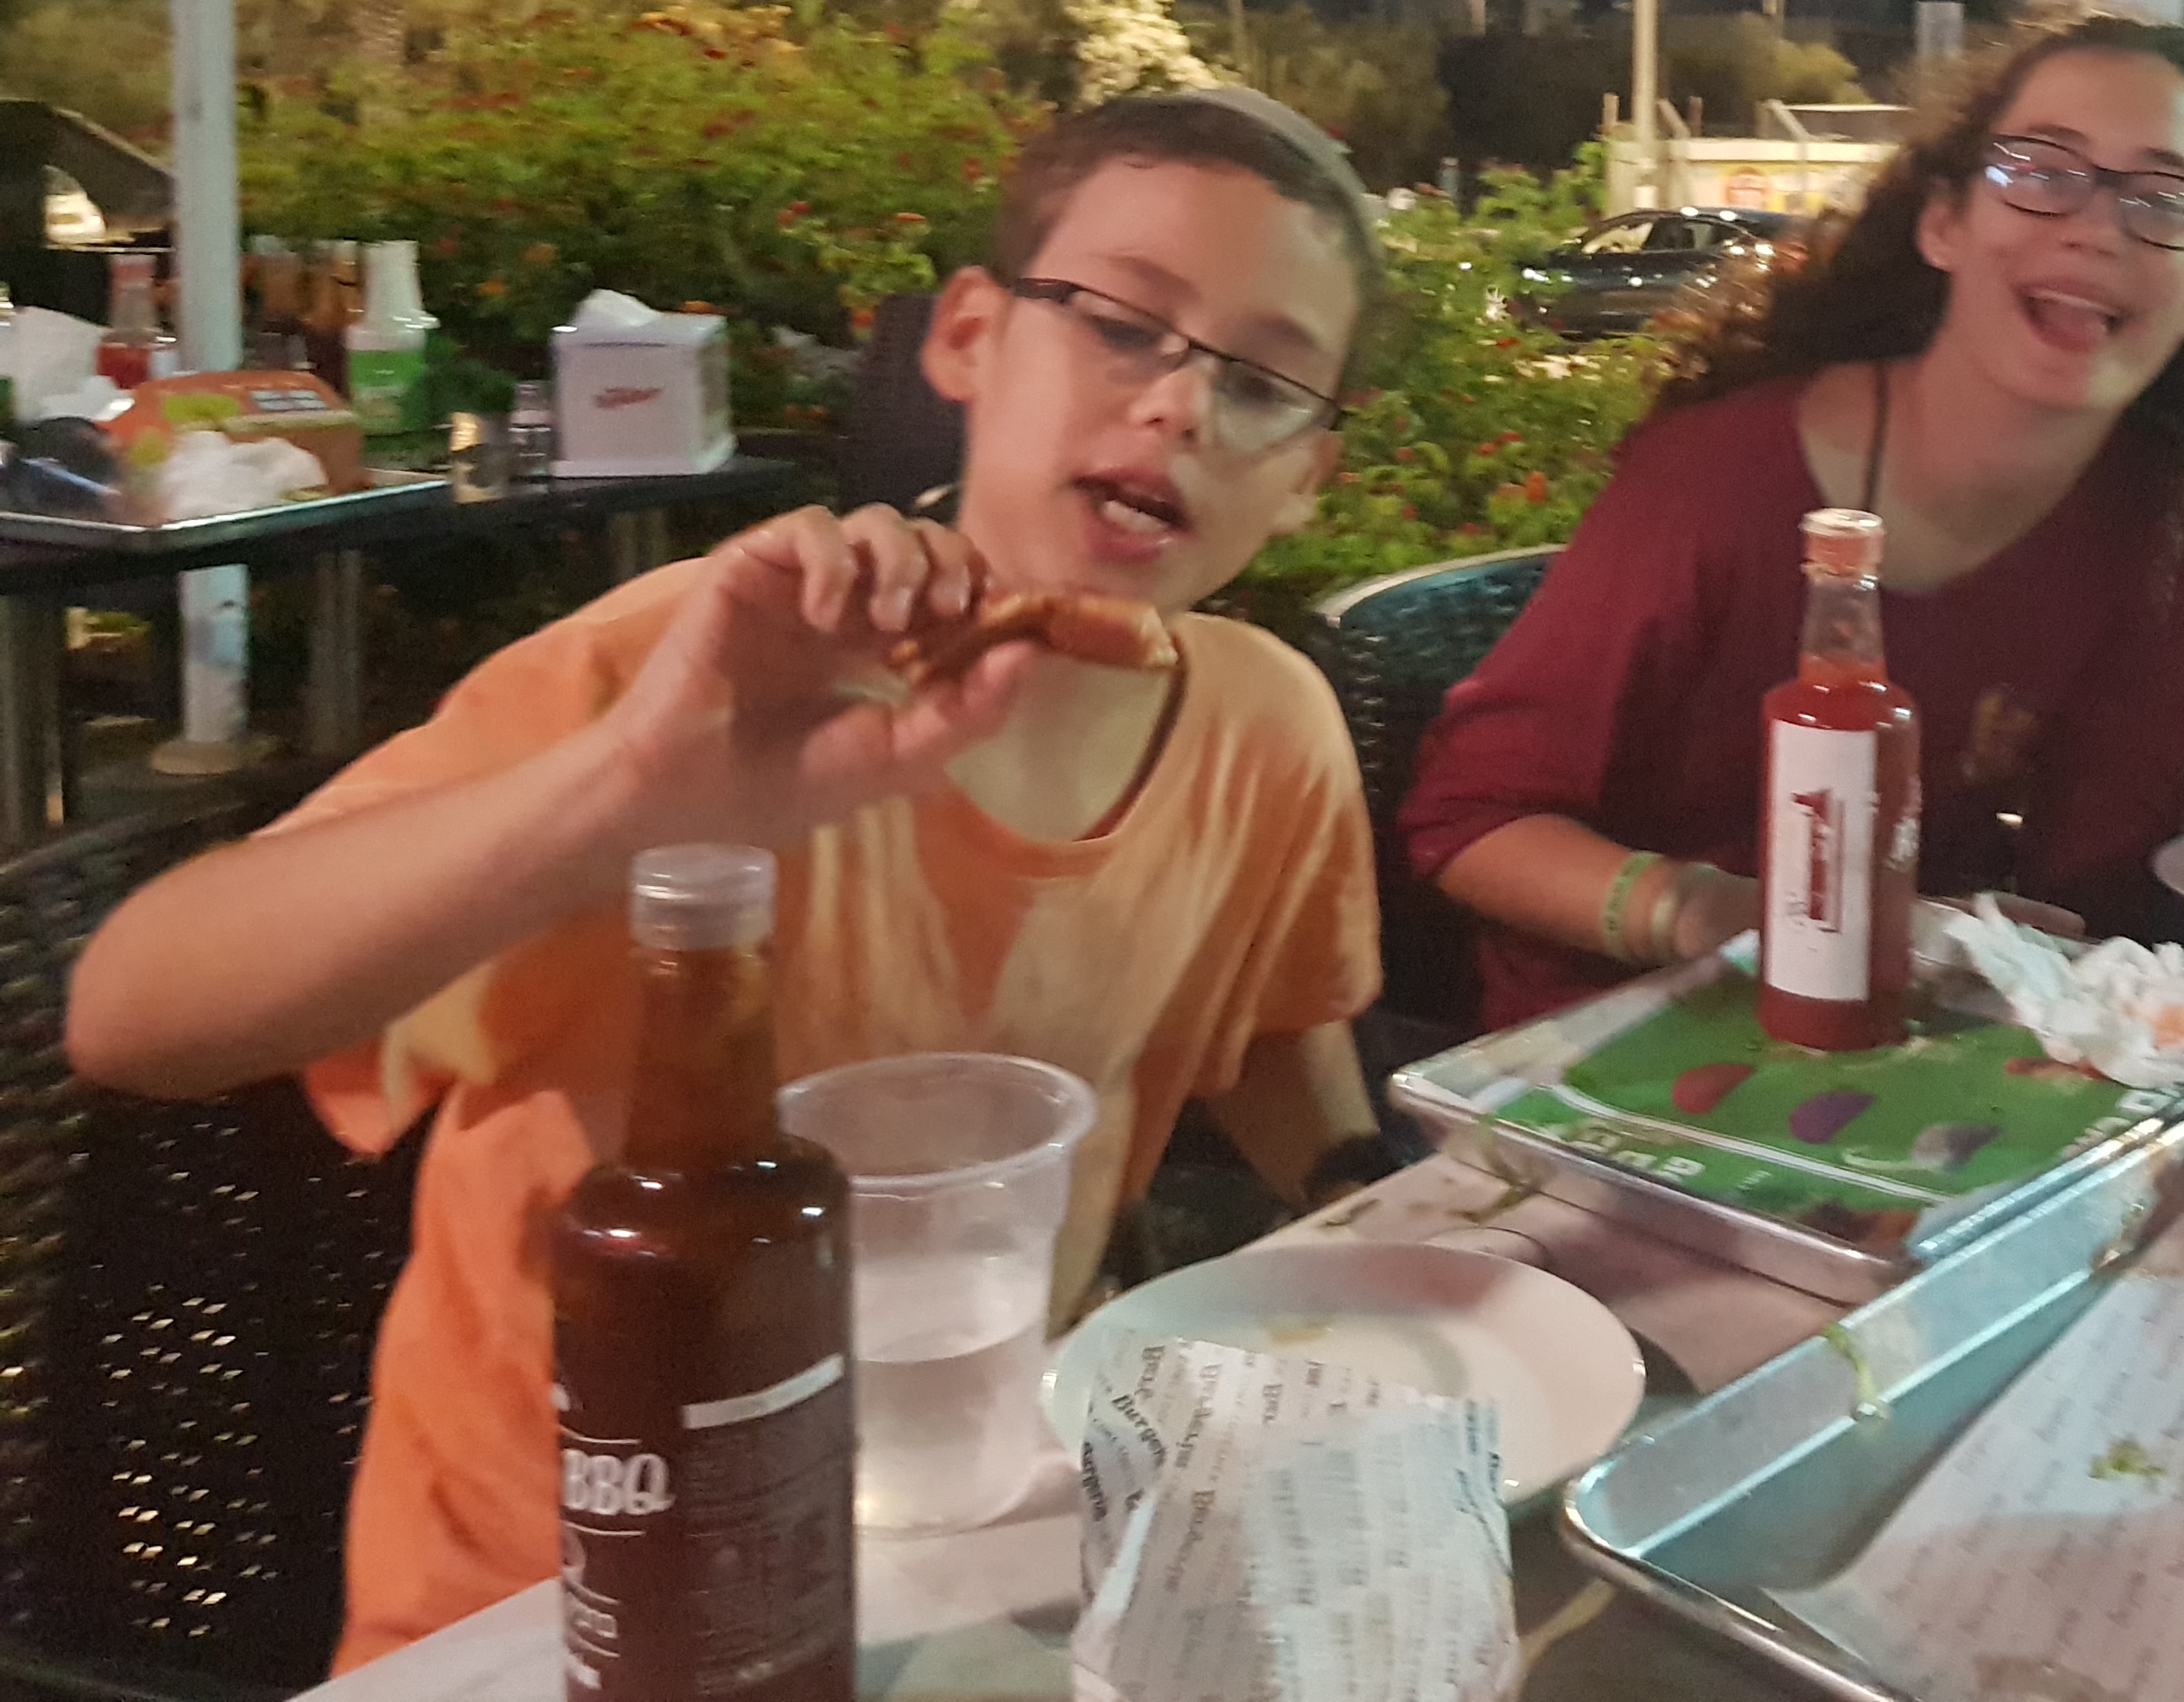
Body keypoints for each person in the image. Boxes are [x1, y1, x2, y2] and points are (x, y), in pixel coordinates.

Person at [63, 89, 1396, 1666]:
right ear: (970, 337)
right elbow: (133, 1011)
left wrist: (1385, 1230)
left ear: (1308, 473)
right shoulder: (695, 676)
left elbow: (1275, 1031)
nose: (1179, 406)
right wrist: (631, 792)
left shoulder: (1263, 726)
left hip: (965, 1547)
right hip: (551, 1603)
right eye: (1120, 323)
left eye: (1259, 381)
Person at [1402, 14, 2184, 1029]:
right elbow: (1467, 822)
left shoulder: (2161, 534)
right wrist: (1721, 918)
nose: (2096, 229)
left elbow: (2097, 888)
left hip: (1917, 1033)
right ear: (1943, 224)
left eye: (2162, 198)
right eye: (2041, 171)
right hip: (1621, 1032)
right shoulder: (1723, 478)